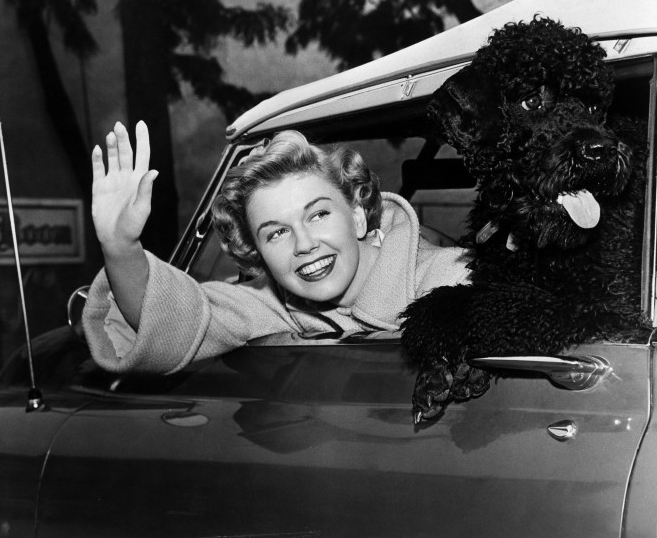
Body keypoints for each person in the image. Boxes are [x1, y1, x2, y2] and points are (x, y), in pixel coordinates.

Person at [83, 120, 470, 375]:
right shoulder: (271, 304)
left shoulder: (451, 278)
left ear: (356, 216)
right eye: (276, 233)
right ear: (257, 254)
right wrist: (120, 247)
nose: (304, 245)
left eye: (318, 215)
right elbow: (171, 320)